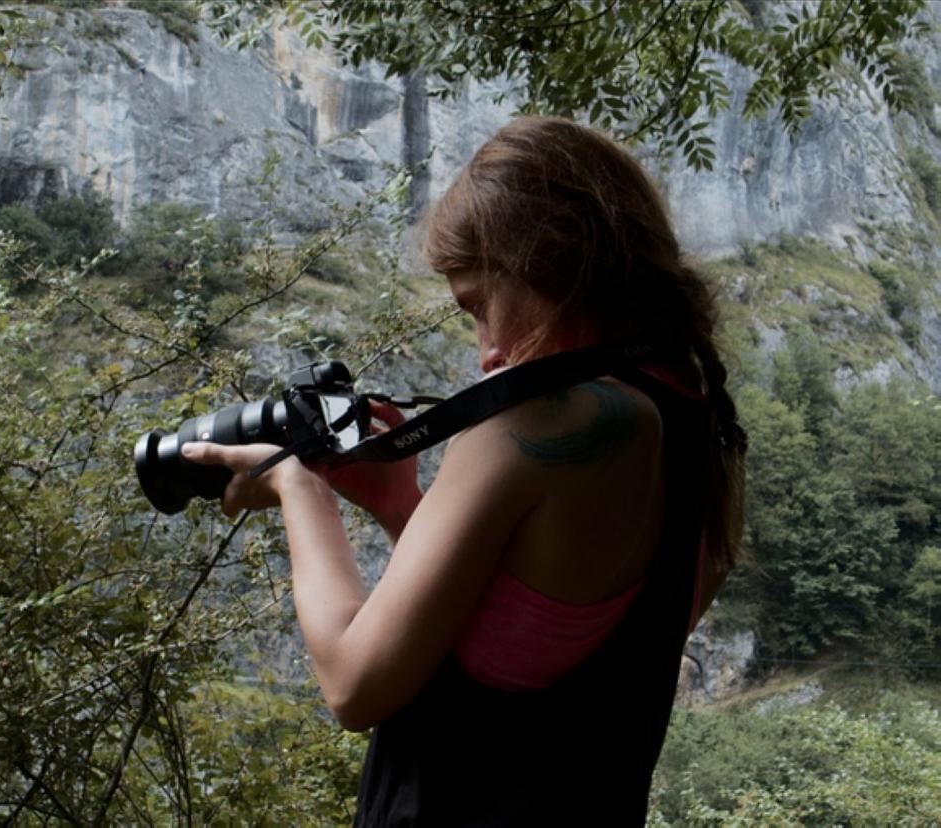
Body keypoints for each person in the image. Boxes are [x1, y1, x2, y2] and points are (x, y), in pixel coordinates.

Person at [181, 116, 747, 825]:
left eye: (479, 305)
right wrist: (400, 508)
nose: (485, 353)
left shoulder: (536, 423)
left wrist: (299, 489)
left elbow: (353, 686)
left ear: (550, 261)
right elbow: (549, 648)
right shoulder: (700, 431)